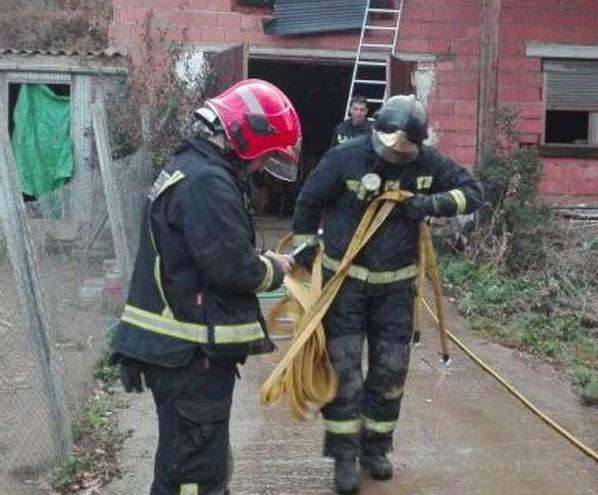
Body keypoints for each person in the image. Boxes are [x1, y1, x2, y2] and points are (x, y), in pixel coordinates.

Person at [110, 79, 301, 495]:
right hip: (189, 355)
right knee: (192, 477)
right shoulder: (206, 182)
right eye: (265, 155)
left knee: (194, 464)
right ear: (248, 137)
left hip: (182, 353)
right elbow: (232, 267)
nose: (260, 166)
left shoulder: (190, 167)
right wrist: (274, 268)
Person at [291, 94, 484, 494]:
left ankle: (375, 450)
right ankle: (344, 457)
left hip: (396, 290)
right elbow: (309, 200)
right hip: (343, 287)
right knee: (344, 375)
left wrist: (433, 202)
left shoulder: (427, 163)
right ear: (375, 129)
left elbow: (473, 191)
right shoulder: (345, 158)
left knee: (390, 373)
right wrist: (308, 247)